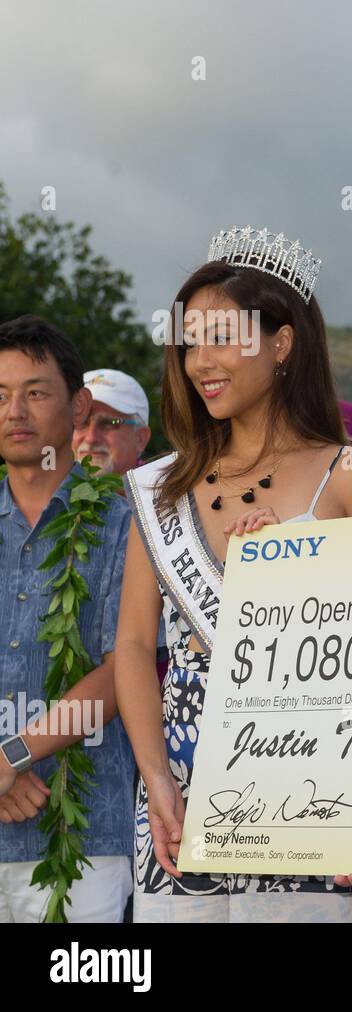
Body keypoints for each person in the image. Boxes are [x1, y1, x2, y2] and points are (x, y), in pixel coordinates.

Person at [113, 227, 352, 923]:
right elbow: (131, 646)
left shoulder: (351, 478)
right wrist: (156, 782)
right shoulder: (162, 491)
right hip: (178, 814)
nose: (199, 362)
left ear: (281, 342)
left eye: (219, 337)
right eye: (189, 342)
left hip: (312, 801)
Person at [0, 315, 135, 921]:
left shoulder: (121, 523)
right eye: (0, 395)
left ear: (78, 404)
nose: (15, 411)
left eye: (35, 391)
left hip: (85, 838)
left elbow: (120, 675)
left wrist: (10, 757)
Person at [74, 368, 152, 479]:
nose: (91, 438)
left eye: (108, 423)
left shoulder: (167, 495)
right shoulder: (45, 492)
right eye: (81, 422)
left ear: (140, 438)